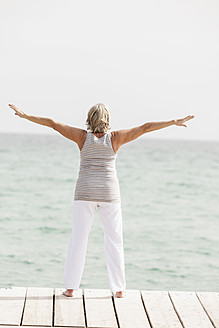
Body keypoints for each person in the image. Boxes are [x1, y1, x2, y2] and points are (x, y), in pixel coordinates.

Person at [8, 103, 195, 298]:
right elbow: (145, 127)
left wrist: (25, 116)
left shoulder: (82, 137)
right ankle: (119, 289)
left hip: (85, 192)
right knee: (114, 240)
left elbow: (53, 124)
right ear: (108, 120)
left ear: (89, 119)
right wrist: (173, 122)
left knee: (78, 240)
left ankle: (71, 288)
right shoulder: (115, 138)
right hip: (109, 194)